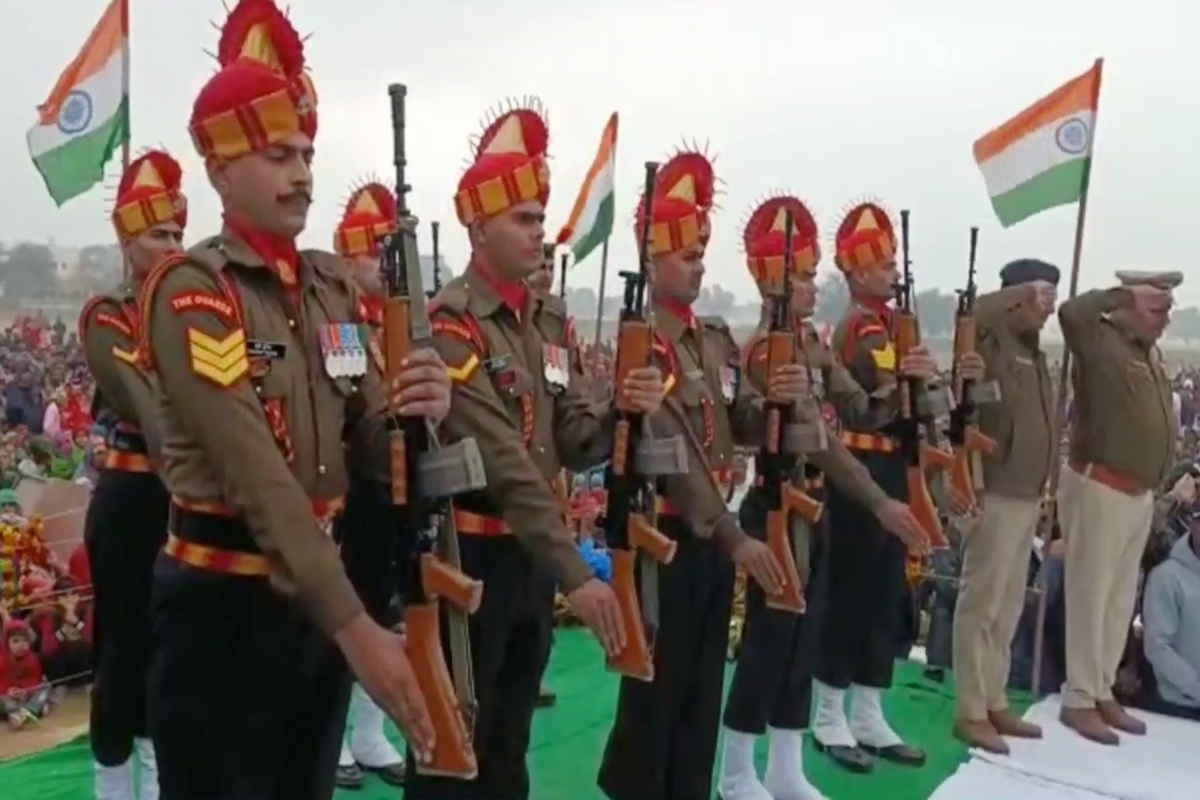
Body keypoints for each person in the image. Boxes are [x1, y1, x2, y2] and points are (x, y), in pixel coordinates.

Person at [139, 2, 447, 797]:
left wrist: (422, 413)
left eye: (307, 153)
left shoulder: (329, 291)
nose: (304, 173)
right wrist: (355, 625)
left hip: (314, 610)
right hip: (223, 615)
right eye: (279, 154)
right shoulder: (192, 293)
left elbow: (370, 441)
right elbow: (256, 472)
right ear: (219, 172)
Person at [421, 98, 663, 800]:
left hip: (530, 560)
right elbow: (505, 461)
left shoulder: (546, 321)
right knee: (453, 748)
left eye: (539, 218)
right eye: (522, 220)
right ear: (477, 226)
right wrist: (576, 574)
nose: (538, 233)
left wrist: (621, 409)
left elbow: (571, 436)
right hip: (473, 560)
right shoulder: (453, 325)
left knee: (510, 744)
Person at [597, 150, 794, 800]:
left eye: (702, 253)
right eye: (685, 254)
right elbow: (667, 448)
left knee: (702, 689)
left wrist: (777, 407)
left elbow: (736, 417)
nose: (700, 264)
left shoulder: (710, 339)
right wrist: (732, 533)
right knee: (657, 690)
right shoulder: (643, 342)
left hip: (710, 538)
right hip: (670, 537)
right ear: (651, 260)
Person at [719, 195, 926, 800]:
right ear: (774, 281)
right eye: (804, 276)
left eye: (813, 275)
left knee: (802, 641)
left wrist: (908, 385)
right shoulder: (764, 350)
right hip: (778, 506)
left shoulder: (811, 346)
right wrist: (879, 502)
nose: (814, 287)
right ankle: (737, 772)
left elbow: (860, 409)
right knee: (767, 643)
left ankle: (785, 767)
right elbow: (822, 438)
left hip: (816, 506)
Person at [812, 201, 983, 773]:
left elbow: (920, 400)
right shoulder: (859, 328)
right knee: (853, 591)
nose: (893, 272)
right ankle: (830, 712)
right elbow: (875, 405)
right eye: (883, 264)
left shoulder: (888, 324)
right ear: (857, 273)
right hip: (864, 472)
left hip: (895, 467)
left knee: (887, 592)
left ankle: (868, 708)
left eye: (893, 262)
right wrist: (914, 379)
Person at [80, 148, 187, 800]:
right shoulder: (108, 315)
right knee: (120, 650)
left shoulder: (190, 309)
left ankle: (154, 779)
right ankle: (112, 782)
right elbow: (151, 406)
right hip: (132, 500)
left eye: (177, 232)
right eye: (157, 234)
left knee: (165, 649)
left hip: (180, 501)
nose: (172, 245)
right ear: (126, 240)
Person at [1056, 269, 1181, 744]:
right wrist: (1123, 294)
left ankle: (1102, 688)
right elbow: (1070, 312)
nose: (1163, 321)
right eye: (1156, 309)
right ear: (1129, 304)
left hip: (1138, 494)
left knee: (1118, 602)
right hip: (1100, 486)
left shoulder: (1149, 354)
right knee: (1091, 597)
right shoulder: (1098, 340)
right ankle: (1079, 698)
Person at [951, 258, 1058, 754]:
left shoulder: (1031, 351)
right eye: (1040, 297)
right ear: (1016, 295)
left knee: (1008, 606)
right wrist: (1018, 294)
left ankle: (994, 699)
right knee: (982, 602)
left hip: (1026, 492)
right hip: (992, 488)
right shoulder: (988, 337)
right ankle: (971, 709)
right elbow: (975, 309)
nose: (1048, 308)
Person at [329, 180, 408, 789]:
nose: (384, 265)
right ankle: (335, 739)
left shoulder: (397, 322)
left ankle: (368, 731)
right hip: (352, 489)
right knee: (348, 614)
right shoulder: (341, 323)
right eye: (373, 254)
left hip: (394, 489)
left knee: (389, 612)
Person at [1141, 499, 1200, 721]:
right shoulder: (1167, 577)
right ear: (1194, 526)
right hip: (1178, 709)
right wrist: (1195, 687)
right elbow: (1157, 646)